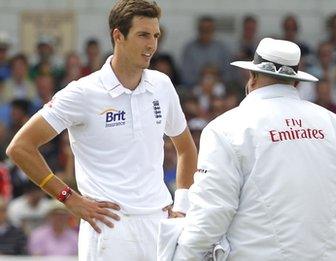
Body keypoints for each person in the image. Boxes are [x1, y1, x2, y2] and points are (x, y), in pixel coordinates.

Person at [6, 0, 197, 260]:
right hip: (109, 227)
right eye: (143, 35)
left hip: (160, 223)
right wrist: (68, 198)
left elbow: (186, 148)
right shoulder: (82, 92)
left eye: (155, 35)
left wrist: (183, 207)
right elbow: (20, 147)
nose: (152, 45)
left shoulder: (162, 85)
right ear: (118, 36)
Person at [173, 38, 336, 260]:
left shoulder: (226, 128)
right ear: (295, 82)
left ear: (252, 77)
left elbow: (211, 212)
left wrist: (184, 256)